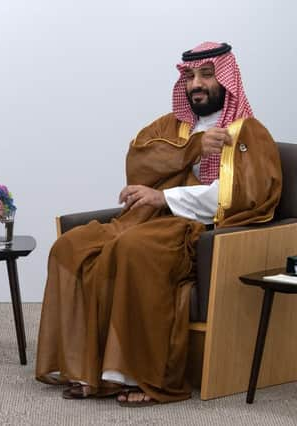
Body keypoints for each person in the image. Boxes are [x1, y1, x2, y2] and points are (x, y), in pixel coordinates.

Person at [35, 42, 282, 406]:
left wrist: (165, 197)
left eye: (207, 75)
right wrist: (193, 148)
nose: (196, 84)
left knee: (133, 249)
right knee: (70, 246)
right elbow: (139, 163)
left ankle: (136, 375)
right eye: (190, 77)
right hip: (144, 219)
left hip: (192, 230)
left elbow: (240, 196)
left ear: (227, 80)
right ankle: (82, 367)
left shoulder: (248, 133)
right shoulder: (173, 126)